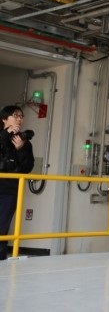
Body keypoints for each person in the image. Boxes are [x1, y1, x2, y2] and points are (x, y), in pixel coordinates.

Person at [0, 105, 34, 260]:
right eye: (15, 115)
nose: (19, 119)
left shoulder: (25, 143)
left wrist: (20, 149)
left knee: (2, 225)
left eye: (21, 116)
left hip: (10, 189)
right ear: (4, 119)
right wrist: (5, 136)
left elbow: (27, 167)